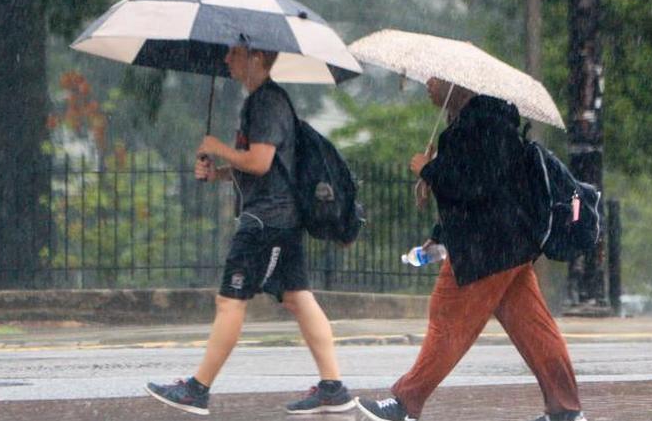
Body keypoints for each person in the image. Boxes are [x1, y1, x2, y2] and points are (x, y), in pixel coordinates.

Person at [356, 77, 585, 421]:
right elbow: (478, 192)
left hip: (486, 248)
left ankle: (404, 405)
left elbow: (474, 185)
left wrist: (428, 169)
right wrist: (439, 231)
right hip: (509, 243)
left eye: (433, 80)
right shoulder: (480, 121)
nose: (427, 86)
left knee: (447, 319)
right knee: (534, 328)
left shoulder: (482, 123)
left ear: (455, 85)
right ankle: (566, 410)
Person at [145, 44, 355, 416]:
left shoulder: (266, 103)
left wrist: (218, 148)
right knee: (298, 298)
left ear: (257, 57)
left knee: (230, 301)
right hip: (278, 219)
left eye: (234, 53)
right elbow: (266, 169)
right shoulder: (263, 101)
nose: (226, 59)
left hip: (265, 224)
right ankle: (332, 387)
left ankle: (198, 390)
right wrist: (220, 173)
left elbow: (259, 162)